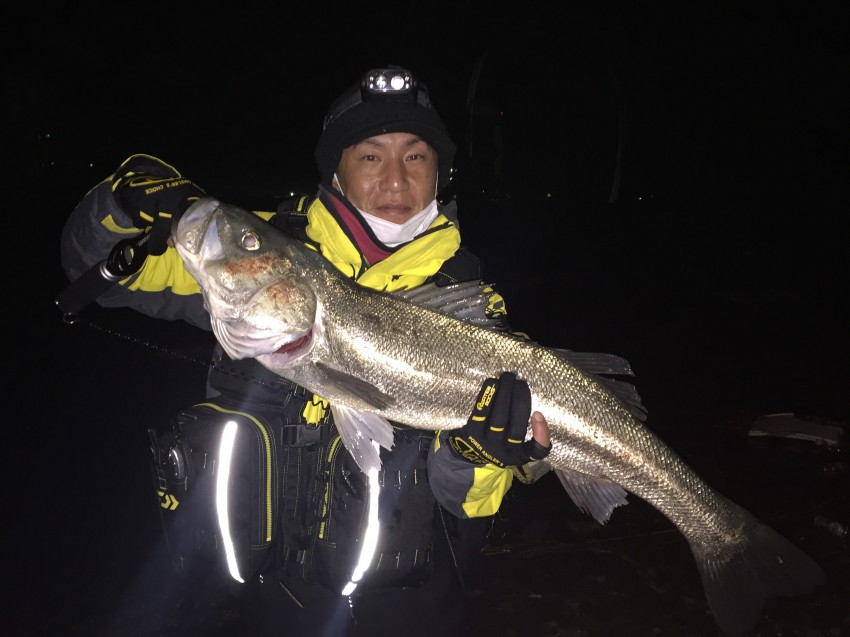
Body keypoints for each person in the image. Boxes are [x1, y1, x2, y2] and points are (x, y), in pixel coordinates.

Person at [60, 66, 552, 637]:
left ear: (438, 172)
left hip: (410, 608)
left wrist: (478, 457)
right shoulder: (263, 256)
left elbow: (466, 505)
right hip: (274, 604)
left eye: (416, 156)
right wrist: (122, 201)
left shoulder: (472, 309)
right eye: (371, 156)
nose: (396, 180)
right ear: (336, 171)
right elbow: (95, 271)